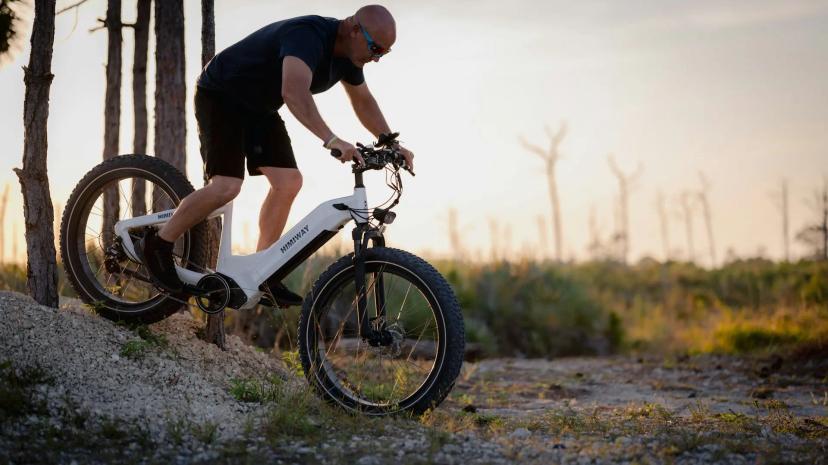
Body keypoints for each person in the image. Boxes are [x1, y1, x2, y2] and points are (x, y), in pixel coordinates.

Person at [139, 5, 414, 307]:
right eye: (375, 48)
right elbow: (293, 91)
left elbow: (363, 100)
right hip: (222, 94)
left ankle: (261, 271)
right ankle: (158, 244)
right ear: (352, 28)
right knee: (226, 186)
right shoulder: (308, 36)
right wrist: (331, 139)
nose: (376, 58)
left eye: (383, 54)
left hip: (259, 107)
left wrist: (390, 142)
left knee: (289, 182)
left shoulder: (349, 58)